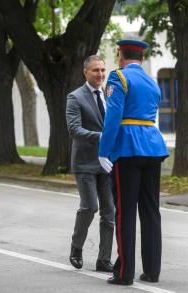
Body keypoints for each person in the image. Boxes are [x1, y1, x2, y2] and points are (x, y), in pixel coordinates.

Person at [98, 40, 169, 285]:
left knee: (125, 213)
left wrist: (104, 151)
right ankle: (152, 271)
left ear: (121, 55)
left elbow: (113, 117)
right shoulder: (152, 81)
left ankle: (124, 272)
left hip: (128, 148)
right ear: (140, 57)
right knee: (151, 212)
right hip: (153, 146)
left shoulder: (118, 77)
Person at [66, 55, 114, 272]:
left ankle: (104, 260)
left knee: (109, 211)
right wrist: (101, 136)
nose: (101, 74)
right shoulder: (75, 97)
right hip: (85, 163)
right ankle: (76, 247)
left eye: (103, 70)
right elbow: (74, 129)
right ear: (85, 72)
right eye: (96, 70)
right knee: (90, 207)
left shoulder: (109, 96)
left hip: (107, 163)